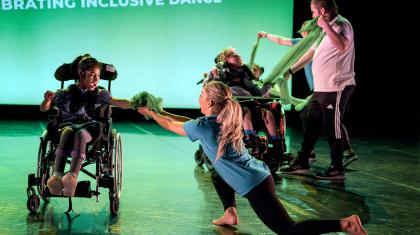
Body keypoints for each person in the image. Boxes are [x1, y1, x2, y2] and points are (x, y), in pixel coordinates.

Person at [137, 81, 367, 235]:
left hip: (254, 185)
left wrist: (151, 113)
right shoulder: (222, 119)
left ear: (208, 103)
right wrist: (159, 111)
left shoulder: (204, 127)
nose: (198, 98)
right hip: (259, 174)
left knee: (287, 230)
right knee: (218, 175)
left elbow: (170, 124)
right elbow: (183, 119)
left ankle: (346, 223)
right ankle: (230, 213)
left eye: (200, 95)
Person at [258, 21, 358, 167]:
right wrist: (266, 35)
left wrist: (290, 70)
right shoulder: (302, 43)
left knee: (324, 119)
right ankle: (314, 154)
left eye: (304, 31)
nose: (302, 34)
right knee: (316, 118)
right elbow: (281, 40)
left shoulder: (320, 42)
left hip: (328, 87)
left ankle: (331, 155)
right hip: (318, 89)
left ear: (311, 31)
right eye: (302, 32)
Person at [281, 0, 357, 179]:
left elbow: (342, 46)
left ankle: (337, 168)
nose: (312, 16)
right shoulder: (322, 31)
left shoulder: (341, 24)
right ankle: (302, 162)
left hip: (337, 86)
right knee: (310, 123)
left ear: (322, 10)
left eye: (313, 12)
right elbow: (310, 54)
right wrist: (290, 70)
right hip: (321, 87)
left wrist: (326, 27)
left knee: (332, 127)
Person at [40, 54, 132, 197]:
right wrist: (47, 100)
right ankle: (57, 176)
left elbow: (119, 102)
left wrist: (138, 103)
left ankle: (71, 176)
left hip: (91, 128)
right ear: (81, 74)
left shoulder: (101, 94)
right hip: (68, 126)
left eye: (98, 75)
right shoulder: (65, 93)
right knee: (67, 131)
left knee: (80, 133)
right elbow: (44, 108)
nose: (96, 79)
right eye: (92, 75)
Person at [207, 47, 280, 157]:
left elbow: (257, 91)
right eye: (234, 55)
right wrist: (213, 75)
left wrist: (269, 85)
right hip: (232, 107)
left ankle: (276, 144)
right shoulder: (220, 72)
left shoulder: (245, 74)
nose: (239, 56)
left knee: (267, 113)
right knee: (245, 111)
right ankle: (251, 141)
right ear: (226, 59)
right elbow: (212, 87)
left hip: (249, 102)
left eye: (238, 54)